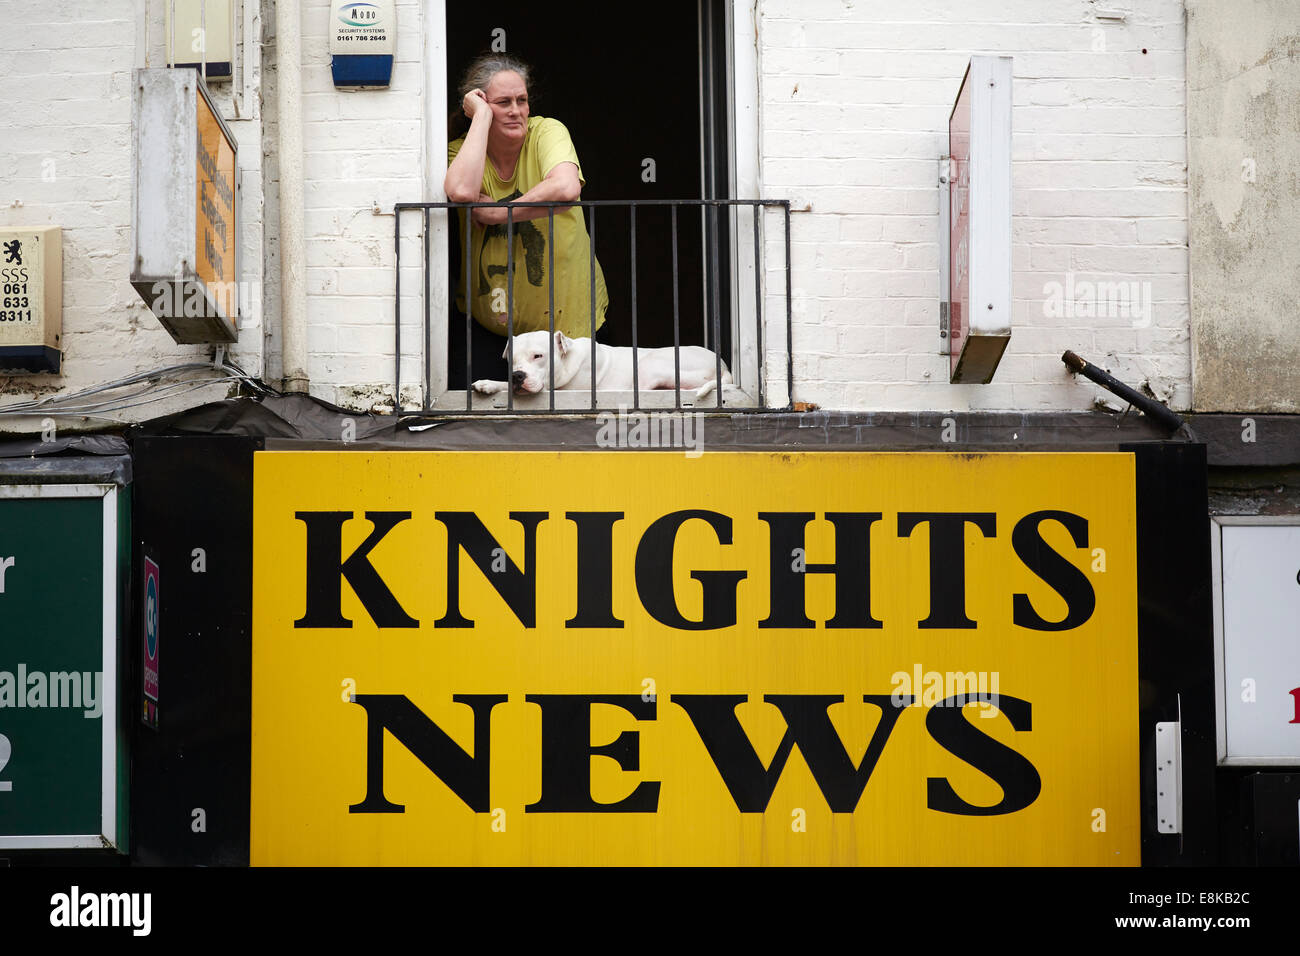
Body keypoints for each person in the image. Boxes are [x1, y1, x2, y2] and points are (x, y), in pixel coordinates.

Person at [445, 54, 608, 385]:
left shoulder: (546, 131)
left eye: (522, 100)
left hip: (567, 336)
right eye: (503, 102)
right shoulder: (462, 151)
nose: (516, 110)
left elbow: (565, 187)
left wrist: (495, 213)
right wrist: (481, 120)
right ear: (480, 105)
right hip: (490, 331)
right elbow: (462, 191)